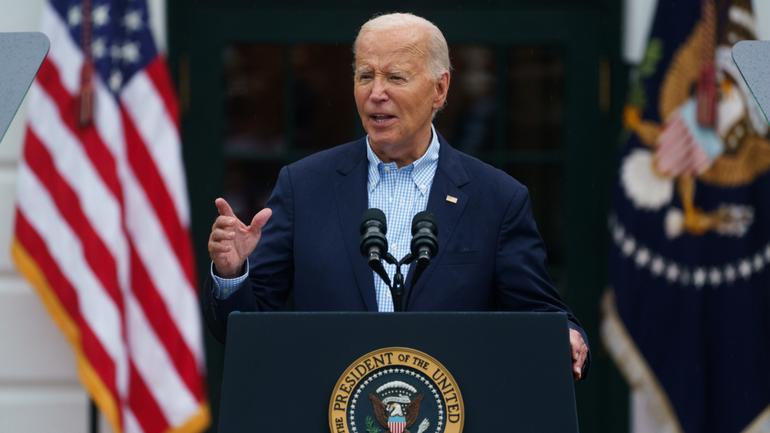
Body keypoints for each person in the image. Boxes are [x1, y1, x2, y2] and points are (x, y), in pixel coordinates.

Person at [204, 12, 589, 379]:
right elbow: (246, 330)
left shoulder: (497, 198)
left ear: (440, 89)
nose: (376, 93)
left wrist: (566, 335)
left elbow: (539, 313)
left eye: (396, 77)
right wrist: (233, 274)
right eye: (365, 75)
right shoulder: (304, 186)